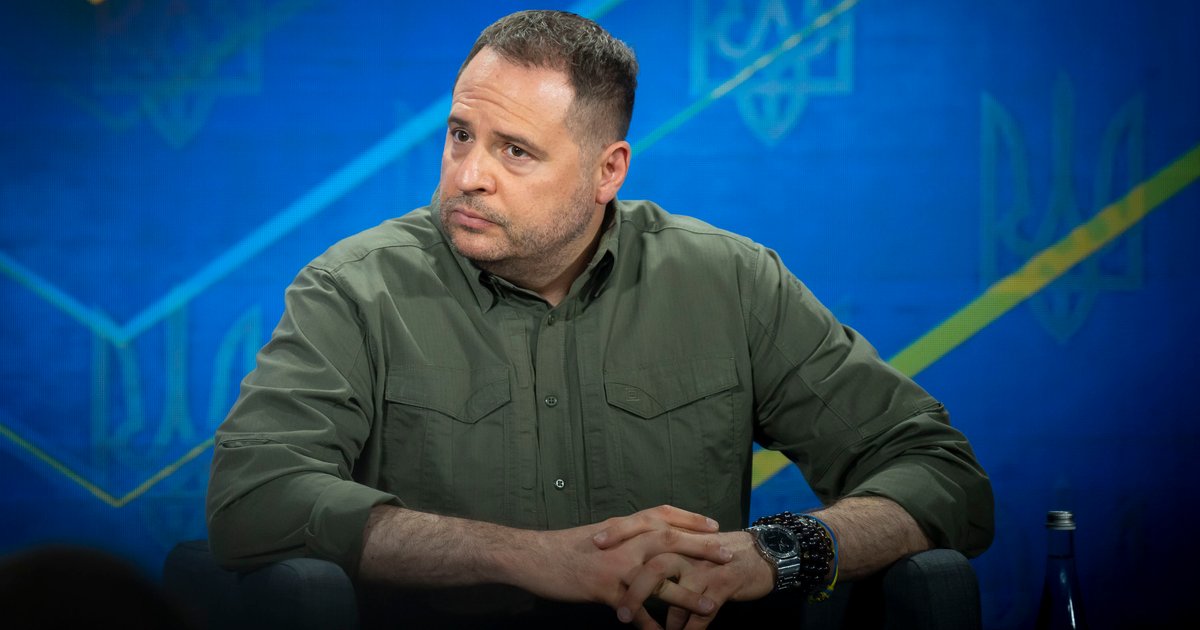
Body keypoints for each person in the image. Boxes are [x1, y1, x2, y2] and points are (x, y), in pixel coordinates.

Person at [206, 9, 993, 628]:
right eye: (460, 135)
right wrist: (530, 557)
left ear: (607, 171)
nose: (468, 175)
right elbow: (254, 497)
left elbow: (940, 472)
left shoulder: (729, 281)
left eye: (515, 151)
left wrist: (777, 554)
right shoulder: (353, 290)